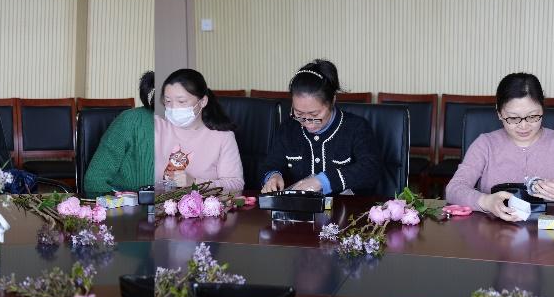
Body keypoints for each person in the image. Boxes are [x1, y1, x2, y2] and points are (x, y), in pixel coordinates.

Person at [86, 69, 242, 196]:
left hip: (200, 218)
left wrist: (194, 184)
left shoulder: (223, 137)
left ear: (203, 101)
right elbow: (95, 181)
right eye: (168, 101)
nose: (173, 108)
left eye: (181, 101)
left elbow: (236, 186)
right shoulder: (135, 122)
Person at [259, 60, 384, 195]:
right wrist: (273, 176)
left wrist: (323, 181)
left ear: (332, 101)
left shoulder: (356, 127)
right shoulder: (289, 128)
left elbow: (371, 169)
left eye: (314, 114)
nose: (307, 122)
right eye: (299, 113)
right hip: (300, 207)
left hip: (346, 207)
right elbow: (270, 164)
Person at [446, 73, 554, 220]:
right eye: (513, 118)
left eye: (532, 116)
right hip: (492, 230)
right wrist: (486, 201)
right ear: (499, 113)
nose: (523, 126)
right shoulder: (485, 144)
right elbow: (454, 189)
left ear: (543, 109)